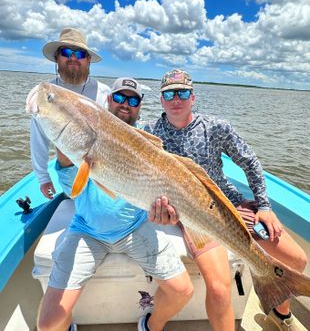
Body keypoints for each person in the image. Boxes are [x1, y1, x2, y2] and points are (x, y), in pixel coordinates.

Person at [144, 69, 308, 331]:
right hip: (193, 214)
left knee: (297, 259)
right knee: (220, 291)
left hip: (232, 205)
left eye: (182, 93)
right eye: (169, 94)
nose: (176, 98)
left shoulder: (217, 127)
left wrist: (264, 207)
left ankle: (280, 313)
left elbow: (250, 162)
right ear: (161, 100)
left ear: (193, 97)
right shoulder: (150, 134)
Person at [36, 77, 194, 331]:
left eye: (132, 100)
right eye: (119, 97)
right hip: (87, 230)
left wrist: (167, 213)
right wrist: (63, 149)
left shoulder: (147, 139)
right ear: (109, 100)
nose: (125, 104)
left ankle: (151, 325)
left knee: (183, 290)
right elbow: (70, 189)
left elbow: (165, 183)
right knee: (48, 323)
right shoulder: (87, 130)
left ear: (140, 106)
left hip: (135, 228)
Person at [31, 28, 110, 199]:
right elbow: (38, 140)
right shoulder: (45, 95)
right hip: (68, 172)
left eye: (80, 54)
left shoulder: (104, 92)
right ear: (57, 57)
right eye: (66, 52)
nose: (73, 58)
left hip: (104, 168)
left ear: (88, 59)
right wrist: (43, 177)